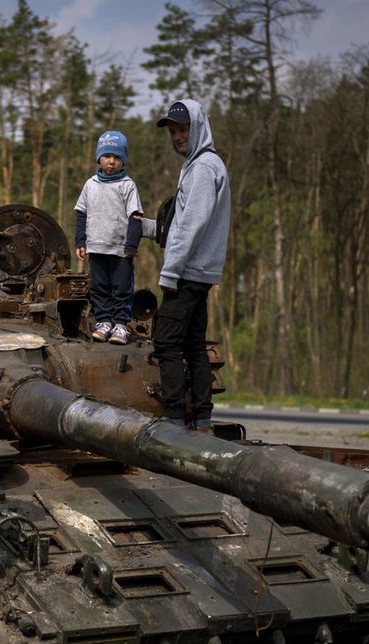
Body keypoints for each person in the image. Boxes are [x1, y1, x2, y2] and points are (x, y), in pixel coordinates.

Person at [146, 99, 232, 431]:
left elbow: (192, 224)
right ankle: (203, 420)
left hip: (187, 272)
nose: (178, 137)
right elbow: (181, 222)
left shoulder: (203, 167)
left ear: (197, 129)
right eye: (173, 132)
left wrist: (170, 271)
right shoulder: (203, 165)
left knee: (166, 341)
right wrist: (148, 227)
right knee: (194, 344)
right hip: (199, 272)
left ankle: (174, 422)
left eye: (183, 130)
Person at [74, 130, 144, 345]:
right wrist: (80, 241)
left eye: (117, 157)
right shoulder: (91, 184)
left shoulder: (127, 185)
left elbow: (135, 216)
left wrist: (131, 245)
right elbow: (81, 212)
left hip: (121, 249)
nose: (111, 162)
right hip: (96, 247)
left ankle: (121, 325)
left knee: (122, 288)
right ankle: (104, 322)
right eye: (107, 156)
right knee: (99, 287)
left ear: (123, 160)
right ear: (99, 158)